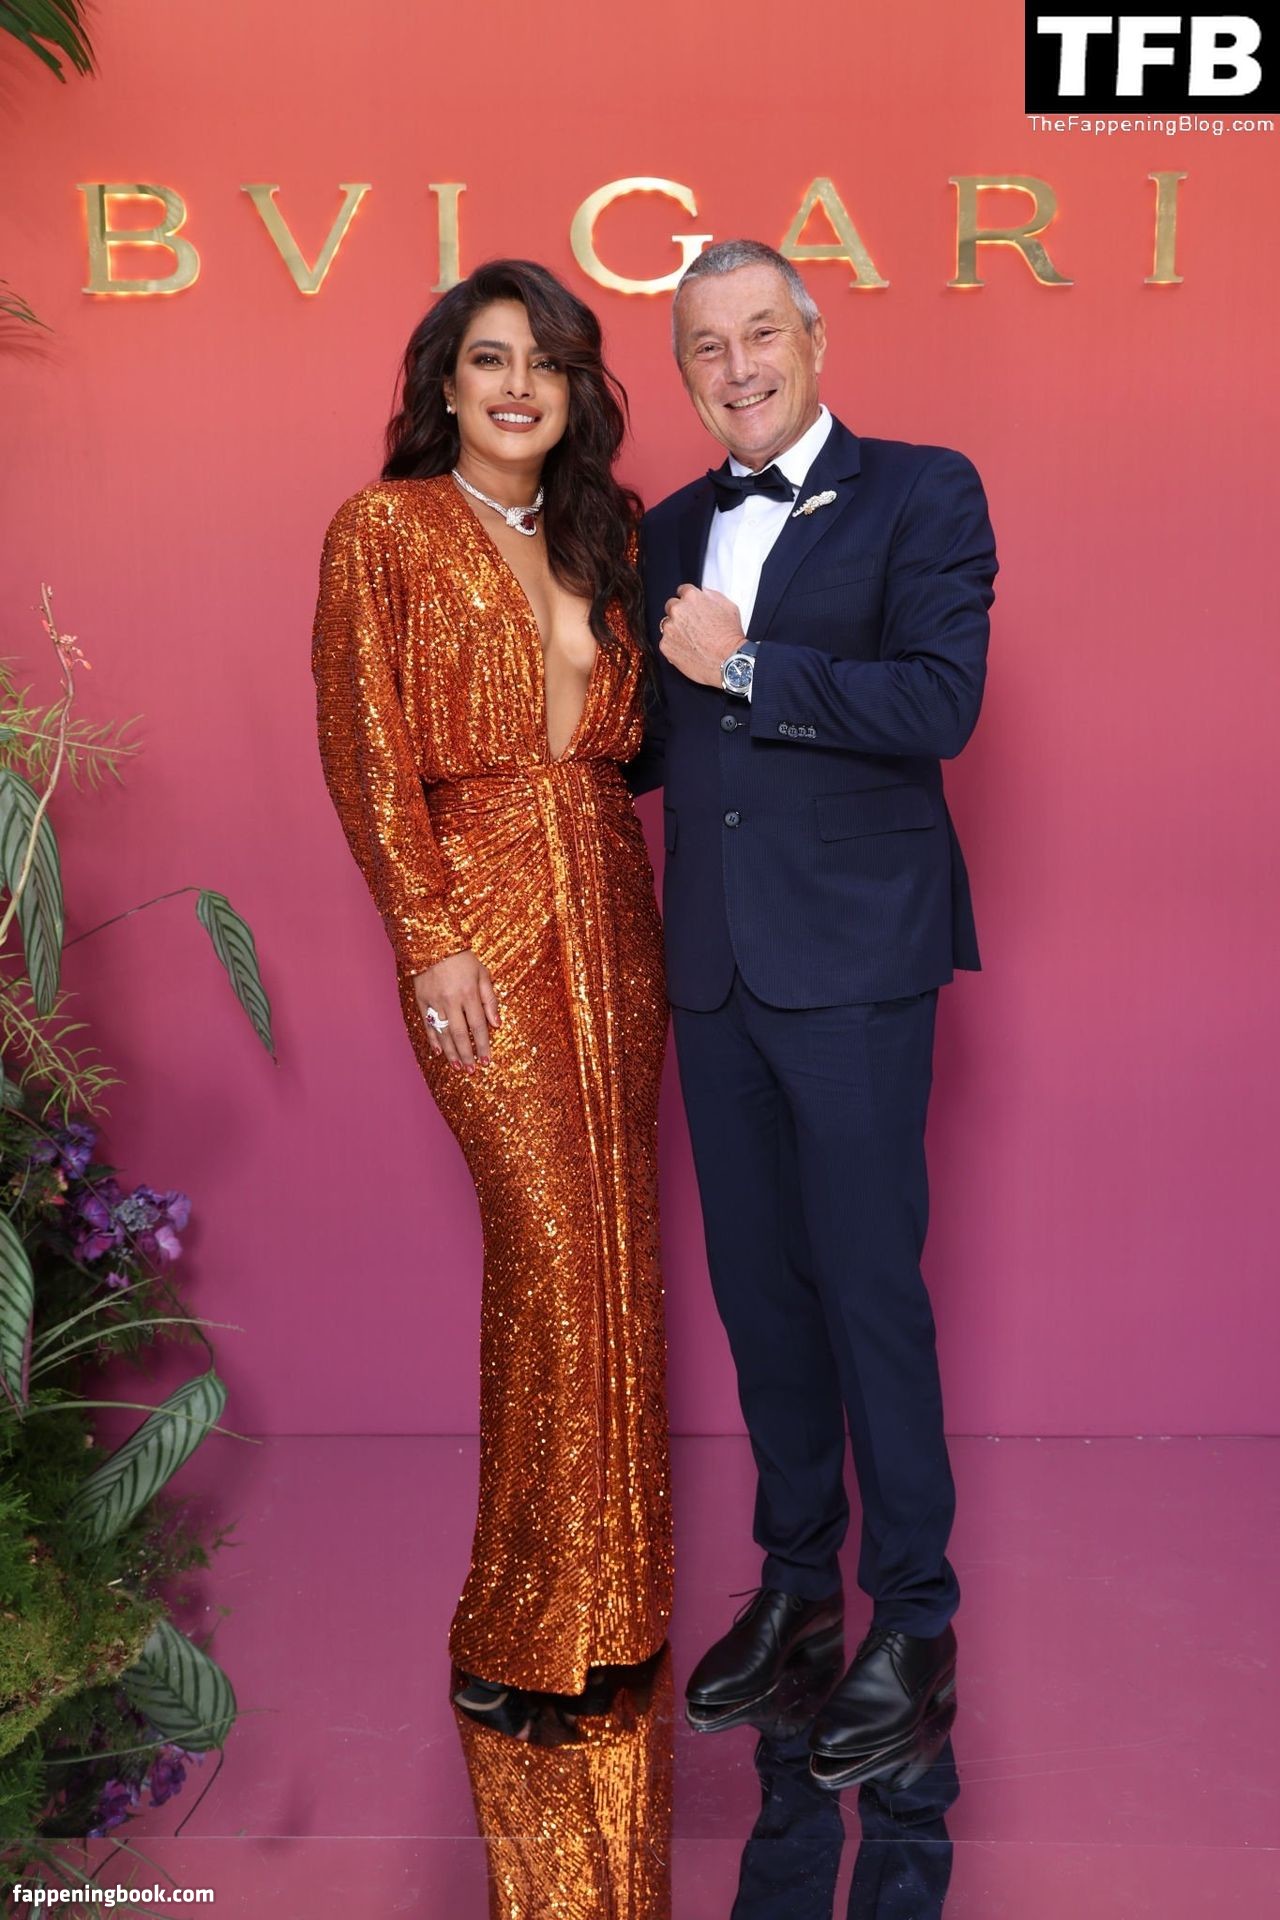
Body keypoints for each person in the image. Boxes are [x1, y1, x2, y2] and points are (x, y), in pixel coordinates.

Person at [630, 239, 997, 1787]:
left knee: (866, 1288)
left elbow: (940, 703)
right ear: (685, 375)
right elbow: (651, 748)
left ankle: (914, 1622)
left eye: (760, 333)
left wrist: (752, 666)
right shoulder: (665, 529)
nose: (739, 368)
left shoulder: (925, 490)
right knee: (760, 1294)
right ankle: (796, 1593)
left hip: (855, 965)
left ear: (814, 338)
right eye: (707, 348)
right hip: (714, 970)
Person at [311, 259, 672, 1731]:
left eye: (548, 364)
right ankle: (523, 1621)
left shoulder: (612, 534)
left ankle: (618, 1604)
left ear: (578, 390)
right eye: (490, 360)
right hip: (478, 910)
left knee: (619, 1251)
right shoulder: (385, 529)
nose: (520, 386)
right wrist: (428, 936)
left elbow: (644, 739)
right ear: (444, 384)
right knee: (547, 1250)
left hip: (614, 910)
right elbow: (364, 750)